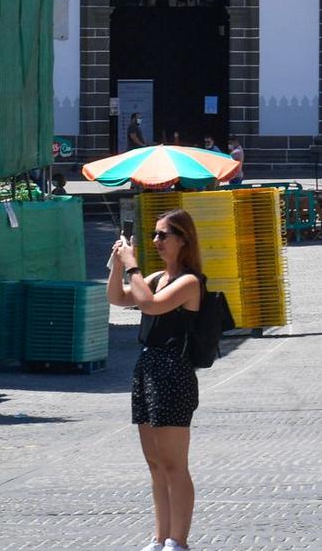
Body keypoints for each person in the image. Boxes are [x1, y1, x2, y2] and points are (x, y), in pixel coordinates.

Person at [109, 209, 207, 551]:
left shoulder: (189, 282)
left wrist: (132, 264)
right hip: (148, 369)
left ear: (183, 239)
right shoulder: (154, 277)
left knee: (173, 463)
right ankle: (160, 536)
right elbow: (119, 299)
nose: (156, 241)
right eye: (153, 234)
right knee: (154, 464)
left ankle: (178, 540)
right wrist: (119, 264)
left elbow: (150, 306)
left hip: (173, 371)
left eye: (163, 235)